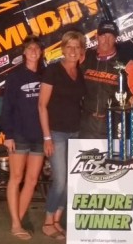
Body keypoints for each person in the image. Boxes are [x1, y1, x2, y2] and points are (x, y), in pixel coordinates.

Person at [38, 30, 86, 240]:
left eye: (77, 47)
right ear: (63, 49)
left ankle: (57, 220)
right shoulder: (53, 70)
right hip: (56, 133)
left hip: (76, 132)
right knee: (60, 180)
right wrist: (47, 137)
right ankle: (47, 221)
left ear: (81, 50)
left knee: (71, 181)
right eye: (69, 46)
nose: (73, 51)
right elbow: (41, 105)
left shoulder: (81, 72)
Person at [1, 36, 46, 241]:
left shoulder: (46, 74)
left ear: (41, 52)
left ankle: (16, 221)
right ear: (24, 53)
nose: (33, 51)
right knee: (16, 178)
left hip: (39, 136)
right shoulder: (15, 77)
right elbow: (7, 107)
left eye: (37, 48)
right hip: (19, 135)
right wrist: (8, 135)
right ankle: (16, 224)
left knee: (32, 180)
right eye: (29, 48)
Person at [80, 20, 133, 139]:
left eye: (110, 36)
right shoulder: (84, 58)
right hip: (86, 123)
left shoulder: (128, 64)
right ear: (96, 36)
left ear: (116, 38)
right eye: (103, 36)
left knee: (113, 157)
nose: (106, 40)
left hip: (115, 122)